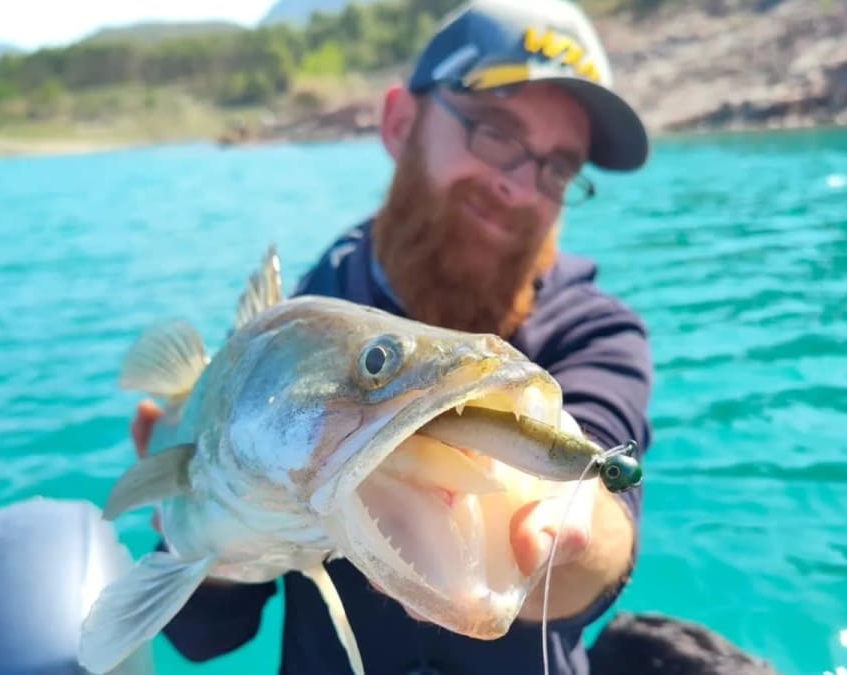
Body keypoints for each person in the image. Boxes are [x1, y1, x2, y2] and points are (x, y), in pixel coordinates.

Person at [131, 0, 654, 673]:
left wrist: (566, 531)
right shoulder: (294, 340)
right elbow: (204, 637)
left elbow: (605, 522)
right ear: (400, 124)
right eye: (495, 130)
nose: (520, 186)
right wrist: (216, 530)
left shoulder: (597, 331)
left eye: (558, 165)